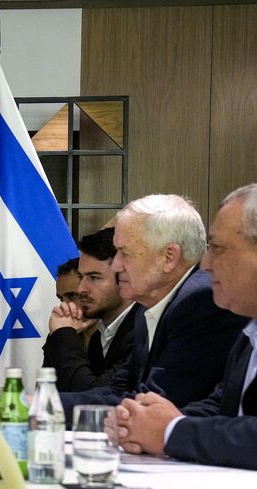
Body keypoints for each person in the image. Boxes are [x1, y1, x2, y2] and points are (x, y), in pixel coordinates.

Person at [59, 194, 247, 420]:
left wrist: (45, 407)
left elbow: (161, 403)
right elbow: (121, 392)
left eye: (124, 253)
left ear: (169, 257)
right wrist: (38, 404)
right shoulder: (149, 307)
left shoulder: (199, 302)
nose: (116, 265)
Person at [115, 184, 257, 470]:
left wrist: (170, 431)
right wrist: (144, 423)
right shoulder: (249, 332)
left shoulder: (201, 304)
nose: (205, 264)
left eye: (217, 248)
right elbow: (222, 406)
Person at [43, 228, 140, 391]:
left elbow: (90, 398)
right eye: (82, 277)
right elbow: (47, 395)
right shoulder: (99, 335)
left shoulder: (143, 330)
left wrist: (64, 335)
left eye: (94, 278)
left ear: (124, 278)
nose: (82, 289)